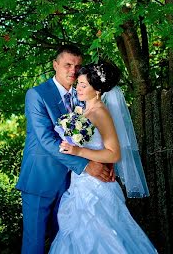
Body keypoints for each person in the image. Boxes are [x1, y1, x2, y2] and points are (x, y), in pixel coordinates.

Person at [49, 60, 158, 254]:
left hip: (96, 188)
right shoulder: (84, 111)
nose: (78, 88)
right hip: (81, 183)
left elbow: (114, 153)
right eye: (78, 84)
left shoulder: (100, 113)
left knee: (102, 237)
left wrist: (78, 152)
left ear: (97, 90)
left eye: (83, 85)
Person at [16, 45, 115, 254]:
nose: (73, 70)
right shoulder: (37, 95)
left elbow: (99, 133)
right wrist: (87, 165)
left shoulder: (84, 94)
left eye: (77, 66)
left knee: (65, 243)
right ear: (55, 65)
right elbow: (46, 139)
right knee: (34, 244)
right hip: (40, 180)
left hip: (73, 186)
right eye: (67, 65)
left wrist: (107, 162)